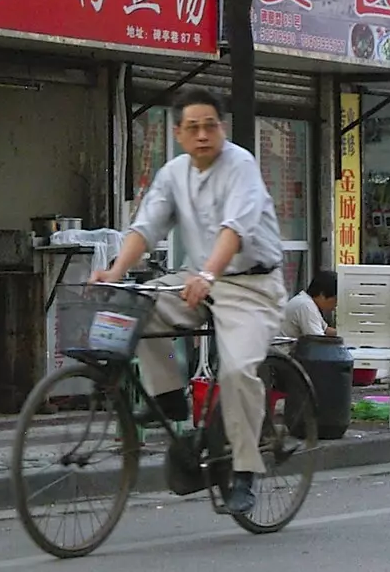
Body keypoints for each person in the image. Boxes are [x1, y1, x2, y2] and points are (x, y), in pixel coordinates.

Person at [92, 88, 285, 515]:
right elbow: (146, 228)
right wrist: (115, 272)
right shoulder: (174, 173)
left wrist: (208, 274)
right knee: (135, 304)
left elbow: (234, 229)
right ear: (178, 133)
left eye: (210, 126)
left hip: (251, 288)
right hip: (200, 280)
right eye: (192, 128)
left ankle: (245, 469)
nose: (202, 135)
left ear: (223, 128)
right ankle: (169, 396)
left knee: (236, 371)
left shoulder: (241, 166)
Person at [280, 271, 338, 340]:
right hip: (284, 350)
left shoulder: (308, 302)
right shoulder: (306, 306)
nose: (335, 306)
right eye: (335, 301)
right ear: (322, 295)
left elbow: (326, 330)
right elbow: (319, 341)